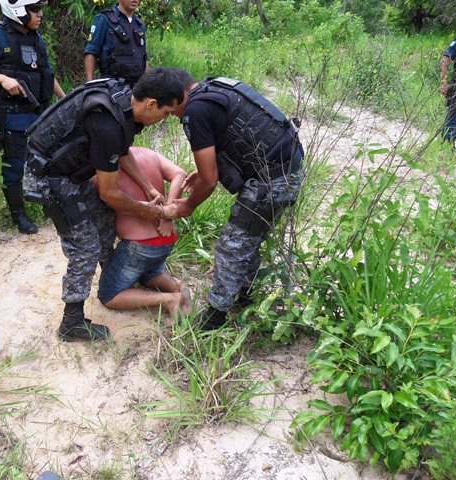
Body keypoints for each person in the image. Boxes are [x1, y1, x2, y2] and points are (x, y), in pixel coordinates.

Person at [24, 68, 184, 342]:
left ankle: (113, 275)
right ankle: (72, 322)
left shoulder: (124, 104)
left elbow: (121, 153)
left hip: (71, 173)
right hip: (50, 177)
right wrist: (155, 211)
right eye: (167, 113)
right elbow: (111, 192)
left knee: (103, 220)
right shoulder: (109, 122)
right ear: (151, 104)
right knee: (84, 245)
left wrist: (149, 189)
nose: (164, 120)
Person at [169, 70, 304, 331]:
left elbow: (208, 181)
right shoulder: (214, 88)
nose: (171, 116)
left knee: (232, 245)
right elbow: (238, 134)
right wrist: (209, 167)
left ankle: (216, 317)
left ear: (179, 96)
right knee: (246, 239)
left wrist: (188, 205)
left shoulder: (195, 110)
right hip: (288, 167)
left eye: (169, 110)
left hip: (274, 179)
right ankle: (245, 293)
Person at [0, 0, 66, 234]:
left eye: (40, 9)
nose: (40, 15)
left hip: (39, 112)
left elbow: (46, 73)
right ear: (18, 10)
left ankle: (47, 203)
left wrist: (65, 99)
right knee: (15, 165)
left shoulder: (35, 37)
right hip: (11, 114)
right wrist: (1, 79)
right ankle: (18, 213)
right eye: (34, 9)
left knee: (46, 160)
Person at [96, 147, 191, 320]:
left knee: (108, 294)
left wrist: (166, 214)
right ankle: (178, 288)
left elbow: (103, 193)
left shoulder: (104, 163)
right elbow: (180, 173)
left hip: (139, 245)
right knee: (149, 274)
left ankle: (169, 299)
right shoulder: (149, 154)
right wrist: (167, 214)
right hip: (167, 239)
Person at [84, 0, 149, 87]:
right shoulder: (104, 19)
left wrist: (151, 84)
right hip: (112, 87)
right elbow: (91, 53)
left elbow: (143, 59)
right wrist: (90, 86)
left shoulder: (139, 24)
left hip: (137, 88)